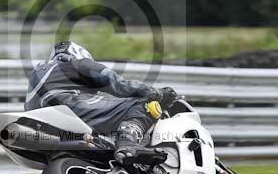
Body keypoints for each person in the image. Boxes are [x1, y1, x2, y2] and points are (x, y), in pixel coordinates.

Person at [24, 41, 178, 166]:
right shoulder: (77, 64)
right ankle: (128, 143)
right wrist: (154, 92)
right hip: (66, 104)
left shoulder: (40, 71)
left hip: (40, 122)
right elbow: (117, 84)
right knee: (142, 104)